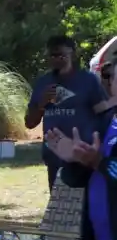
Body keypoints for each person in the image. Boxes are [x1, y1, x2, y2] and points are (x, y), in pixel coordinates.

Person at [28, 34, 108, 191]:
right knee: (60, 209)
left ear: (72, 54)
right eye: (52, 55)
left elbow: (105, 115)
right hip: (54, 156)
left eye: (60, 55)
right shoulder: (43, 82)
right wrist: (42, 103)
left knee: (84, 209)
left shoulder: (88, 80)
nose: (56, 59)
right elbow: (30, 122)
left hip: (83, 157)